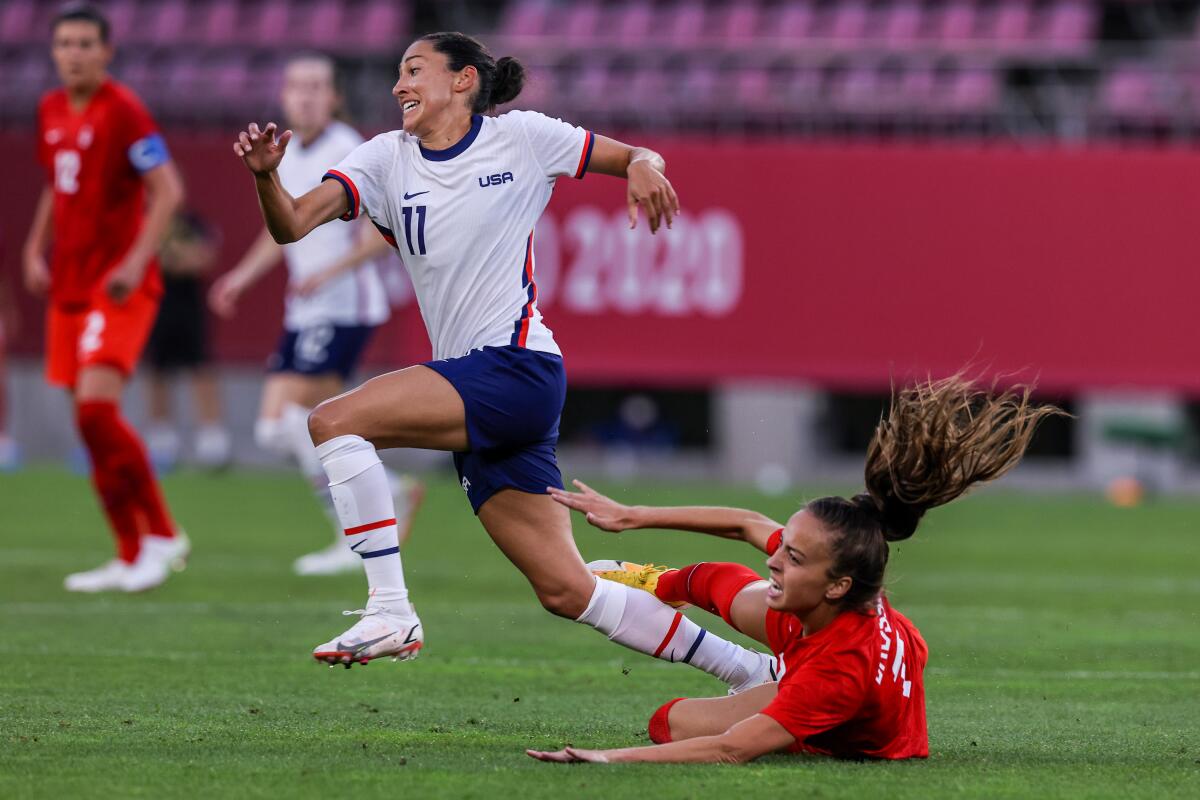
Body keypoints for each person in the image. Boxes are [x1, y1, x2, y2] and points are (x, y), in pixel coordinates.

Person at [232, 32, 774, 694]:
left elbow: (634, 153)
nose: (399, 85)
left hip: (516, 368)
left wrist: (641, 164)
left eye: (414, 71)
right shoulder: (381, 159)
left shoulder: (520, 138)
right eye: (398, 74)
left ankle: (388, 611)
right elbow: (290, 224)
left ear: (462, 81)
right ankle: (752, 670)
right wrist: (265, 175)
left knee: (333, 421)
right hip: (481, 387)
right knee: (567, 589)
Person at [528, 376, 1062, 764]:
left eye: (794, 558)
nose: (773, 559)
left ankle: (751, 669)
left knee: (669, 723)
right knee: (714, 580)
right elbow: (747, 524)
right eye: (787, 547)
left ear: (838, 585)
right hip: (824, 637)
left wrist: (604, 759)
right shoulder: (836, 575)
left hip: (830, 705)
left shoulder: (839, 672)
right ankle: (667, 590)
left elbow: (731, 749)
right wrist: (632, 515)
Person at [211, 53, 423, 576]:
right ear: (283, 97)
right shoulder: (284, 154)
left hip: (345, 307)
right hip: (305, 310)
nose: (305, 95)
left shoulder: (348, 149)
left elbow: (385, 228)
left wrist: (331, 273)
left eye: (316, 87)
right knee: (297, 428)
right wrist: (241, 276)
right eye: (296, 86)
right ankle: (380, 503)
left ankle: (364, 522)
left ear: (334, 98)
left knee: (291, 424)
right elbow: (283, 225)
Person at [22, 3, 188, 593]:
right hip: (68, 285)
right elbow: (56, 185)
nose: (74, 53)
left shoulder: (124, 110)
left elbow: (168, 192)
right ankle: (126, 551)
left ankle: (163, 535)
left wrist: (135, 260)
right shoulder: (49, 110)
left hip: (117, 286)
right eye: (64, 43)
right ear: (53, 50)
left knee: (96, 411)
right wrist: (34, 247)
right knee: (90, 426)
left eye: (85, 43)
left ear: (106, 51)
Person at [144, 210, 231, 471]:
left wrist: (171, 251)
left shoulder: (193, 223)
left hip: (190, 307)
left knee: (201, 369)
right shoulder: (148, 221)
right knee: (157, 372)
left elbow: (202, 259)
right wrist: (170, 254)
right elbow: (149, 259)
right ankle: (161, 440)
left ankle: (212, 441)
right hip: (156, 304)